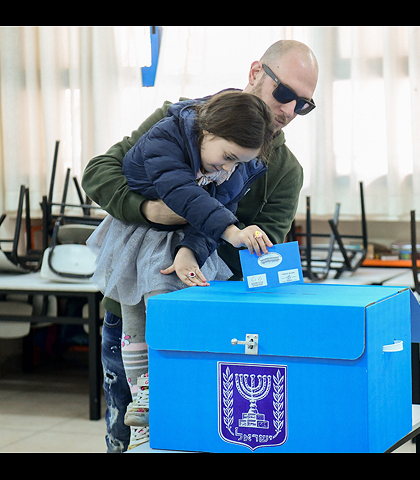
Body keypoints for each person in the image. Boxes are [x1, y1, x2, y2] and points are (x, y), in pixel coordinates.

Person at [81, 39, 319, 452]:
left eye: (304, 104)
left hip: (213, 322)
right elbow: (100, 172)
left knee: (201, 439)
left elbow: (254, 257)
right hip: (129, 312)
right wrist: (150, 211)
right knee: (130, 437)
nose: (289, 111)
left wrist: (195, 242)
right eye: (285, 94)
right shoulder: (179, 120)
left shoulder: (284, 171)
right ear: (255, 72)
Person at [86, 90, 275, 449]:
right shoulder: (165, 136)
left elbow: (218, 204)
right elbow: (184, 194)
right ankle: (144, 396)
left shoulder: (233, 164)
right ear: (208, 130)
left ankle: (165, 390)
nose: (228, 168)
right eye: (228, 157)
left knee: (170, 306)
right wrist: (233, 230)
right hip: (137, 234)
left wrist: (190, 250)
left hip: (180, 238)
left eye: (239, 163)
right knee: (138, 312)